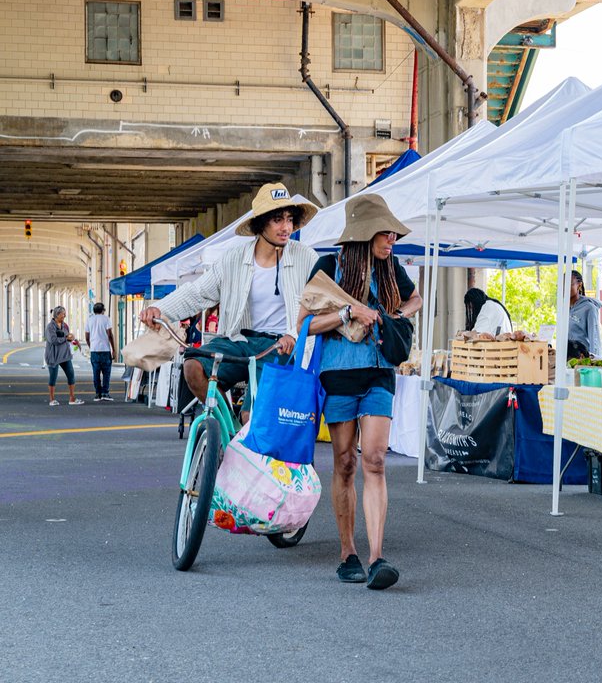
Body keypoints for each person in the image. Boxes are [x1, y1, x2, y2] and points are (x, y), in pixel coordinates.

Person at [299, 193, 422, 591]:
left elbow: (415, 297)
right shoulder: (330, 266)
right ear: (365, 233)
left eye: (393, 234)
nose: (392, 241)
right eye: (386, 234)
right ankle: (347, 552)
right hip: (338, 376)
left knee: (374, 460)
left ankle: (376, 557)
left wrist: (395, 315)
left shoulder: (391, 268)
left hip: (379, 373)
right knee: (344, 463)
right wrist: (349, 313)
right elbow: (305, 323)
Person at [139, 182, 320, 407]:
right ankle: (228, 426)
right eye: (278, 220)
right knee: (193, 366)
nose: (286, 227)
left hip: (280, 345)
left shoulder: (307, 257)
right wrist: (161, 309)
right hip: (240, 339)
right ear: (260, 224)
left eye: (290, 219)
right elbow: (197, 292)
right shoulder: (234, 258)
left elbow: (319, 305)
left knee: (253, 414)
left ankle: (243, 431)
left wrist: (293, 335)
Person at [45, 306, 83, 406]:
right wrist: (66, 338)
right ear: (57, 315)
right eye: (63, 314)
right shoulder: (50, 327)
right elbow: (53, 340)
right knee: (53, 377)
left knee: (71, 375)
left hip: (65, 355)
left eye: (65, 313)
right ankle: (52, 399)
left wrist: (74, 340)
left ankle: (72, 398)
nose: (65, 315)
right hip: (53, 355)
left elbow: (68, 336)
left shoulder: (64, 325)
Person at [567, 270, 602, 359]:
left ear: (579, 285)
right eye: (563, 284)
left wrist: (594, 361)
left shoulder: (589, 308)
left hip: (582, 358)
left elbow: (594, 337)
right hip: (567, 358)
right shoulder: (564, 309)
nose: (565, 287)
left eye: (569, 283)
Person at [85, 302, 115, 402]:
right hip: (105, 350)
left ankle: (98, 394)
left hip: (94, 350)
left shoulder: (89, 320)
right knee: (106, 373)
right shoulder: (106, 319)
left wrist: (91, 346)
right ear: (103, 310)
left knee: (96, 372)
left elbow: (87, 337)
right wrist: (113, 349)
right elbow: (110, 335)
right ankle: (105, 393)